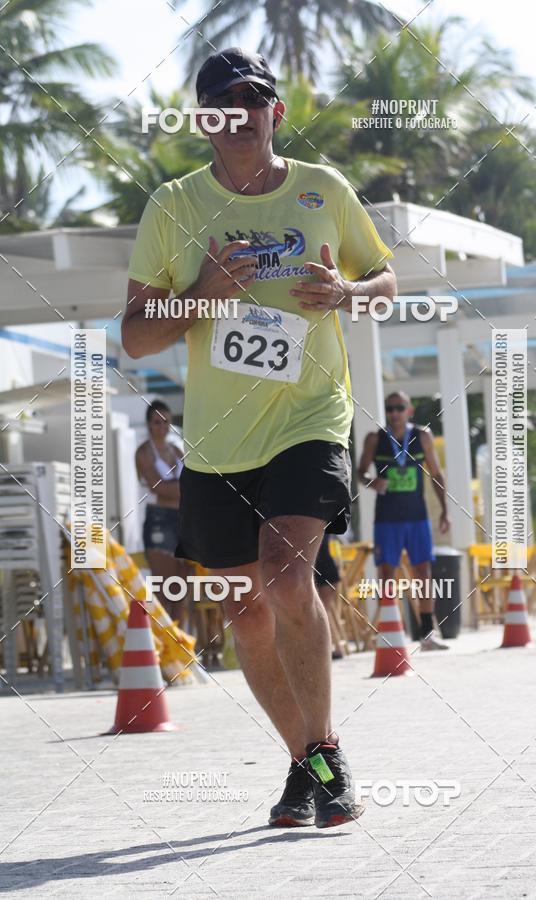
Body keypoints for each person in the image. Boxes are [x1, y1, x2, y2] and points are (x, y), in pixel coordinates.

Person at [122, 47, 396, 828]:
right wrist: (204, 295)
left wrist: (347, 291)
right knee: (246, 613)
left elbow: (386, 284)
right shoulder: (174, 205)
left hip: (310, 417)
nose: (239, 113)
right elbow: (135, 337)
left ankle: (328, 754)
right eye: (223, 101)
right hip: (218, 442)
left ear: (276, 112)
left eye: (253, 99)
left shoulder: (322, 189)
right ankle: (305, 762)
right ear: (203, 119)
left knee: (284, 575)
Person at [357, 391, 450, 650]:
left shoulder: (422, 436)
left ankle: (427, 634)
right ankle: (390, 631)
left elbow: (436, 474)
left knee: (423, 572)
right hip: (387, 519)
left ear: (409, 410)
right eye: (390, 408)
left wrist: (445, 511)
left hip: (417, 516)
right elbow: (360, 472)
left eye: (399, 408)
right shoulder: (375, 438)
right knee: (387, 572)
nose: (394, 413)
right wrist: (372, 482)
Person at [135, 400, 189, 622]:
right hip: (159, 520)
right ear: (148, 424)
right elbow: (158, 487)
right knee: (164, 588)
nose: (162, 427)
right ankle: (160, 637)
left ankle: (178, 638)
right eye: (157, 422)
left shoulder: (175, 450)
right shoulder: (144, 452)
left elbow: (180, 486)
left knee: (181, 590)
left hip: (182, 520)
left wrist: (178, 489)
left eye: (166, 422)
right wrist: (185, 489)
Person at [314, 535, 347, 659]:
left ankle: (334, 648)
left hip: (326, 576)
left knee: (322, 613)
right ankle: (336, 647)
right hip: (329, 574)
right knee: (324, 612)